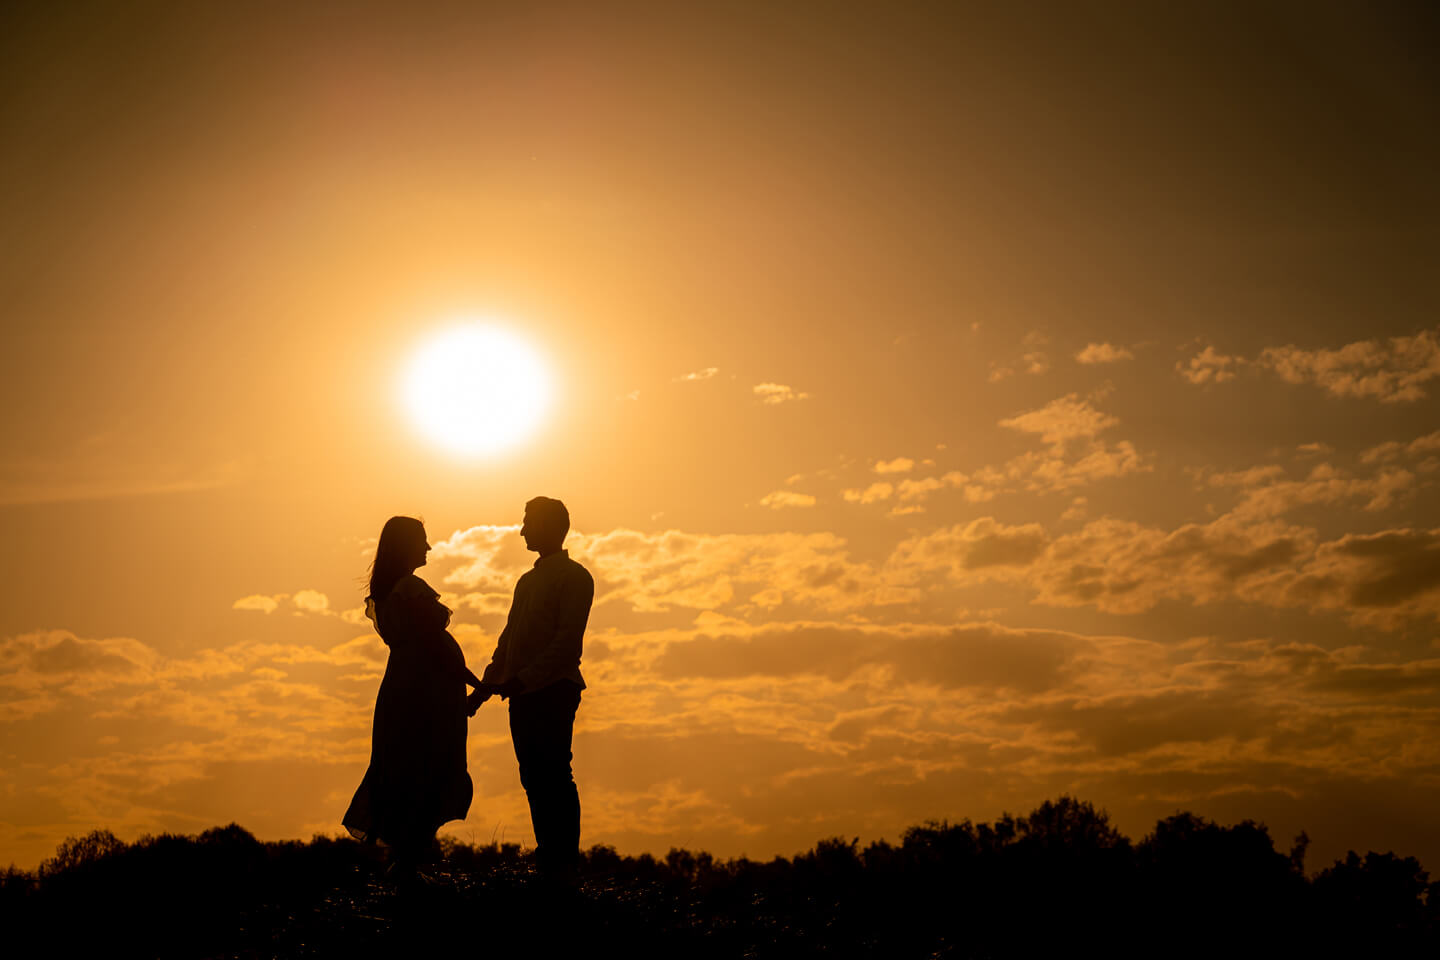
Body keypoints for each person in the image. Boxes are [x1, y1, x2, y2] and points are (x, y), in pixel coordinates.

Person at [343, 516, 484, 881]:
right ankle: (406, 865)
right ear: (407, 544)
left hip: (409, 692)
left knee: (408, 769)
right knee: (426, 769)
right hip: (424, 698)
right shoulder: (409, 588)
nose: (428, 547)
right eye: (422, 540)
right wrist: (474, 682)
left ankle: (406, 862)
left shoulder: (391, 590)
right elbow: (434, 645)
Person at [472, 496, 594, 881]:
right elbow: (509, 641)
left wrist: (521, 680)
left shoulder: (574, 577)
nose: (523, 530)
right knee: (533, 777)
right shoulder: (526, 582)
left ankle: (563, 863)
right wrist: (485, 688)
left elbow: (566, 644)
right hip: (522, 694)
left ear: (552, 526)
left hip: (554, 690)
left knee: (555, 773)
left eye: (529, 522)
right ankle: (550, 860)